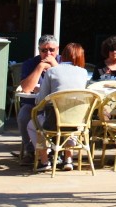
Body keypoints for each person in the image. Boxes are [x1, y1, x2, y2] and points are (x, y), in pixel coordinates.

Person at [29, 42, 89, 172]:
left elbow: (41, 100)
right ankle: (68, 159)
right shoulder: (84, 73)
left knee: (32, 125)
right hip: (77, 121)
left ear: (63, 56)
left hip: (53, 121)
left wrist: (37, 93)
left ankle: (45, 161)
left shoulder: (52, 71)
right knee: (71, 125)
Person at [16, 34, 60, 162]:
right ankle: (30, 151)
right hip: (34, 104)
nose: (48, 53)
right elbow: (26, 88)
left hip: (57, 106)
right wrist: (39, 68)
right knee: (23, 115)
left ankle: (58, 151)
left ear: (57, 49)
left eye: (51, 50)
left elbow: (64, 83)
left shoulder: (62, 62)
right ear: (39, 50)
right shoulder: (30, 63)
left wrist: (54, 66)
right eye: (44, 50)